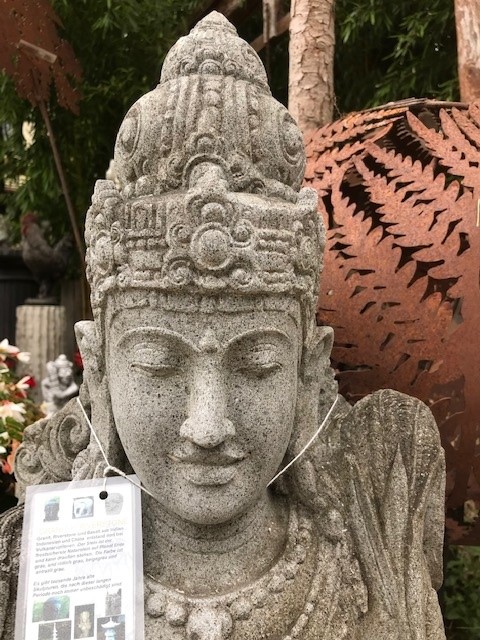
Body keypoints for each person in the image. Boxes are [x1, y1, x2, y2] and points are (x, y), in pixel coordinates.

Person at [0, 12, 446, 640]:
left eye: (257, 365)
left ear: (307, 368)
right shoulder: (36, 562)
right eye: (157, 364)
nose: (207, 426)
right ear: (97, 370)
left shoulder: (375, 547)